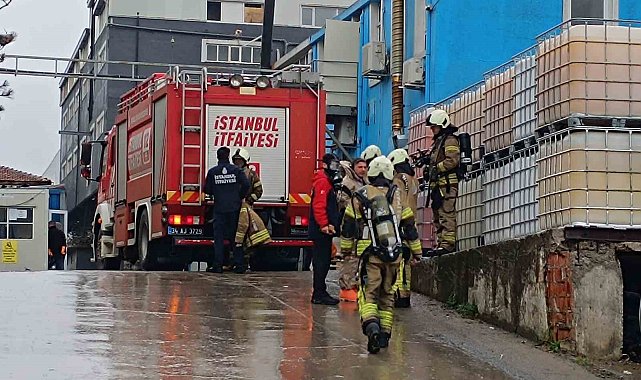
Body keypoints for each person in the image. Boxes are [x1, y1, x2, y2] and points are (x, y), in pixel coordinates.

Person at [340, 156, 422, 353]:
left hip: (370, 256)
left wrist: (346, 250)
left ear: (372, 173)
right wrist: (417, 252)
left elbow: (348, 226)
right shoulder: (398, 197)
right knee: (387, 296)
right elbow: (409, 227)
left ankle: (372, 328)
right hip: (395, 256)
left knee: (368, 294)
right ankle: (384, 336)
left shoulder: (360, 195)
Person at [205, 147, 250, 273]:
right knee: (235, 237)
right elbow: (246, 184)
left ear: (218, 157)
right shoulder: (236, 171)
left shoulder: (213, 172)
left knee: (218, 238)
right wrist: (239, 196)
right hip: (234, 208)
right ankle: (239, 265)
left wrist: (216, 191)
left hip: (219, 209)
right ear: (228, 156)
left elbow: (206, 189)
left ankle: (218, 265)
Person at [388, 148, 421, 308]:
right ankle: (405, 294)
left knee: (398, 260)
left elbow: (398, 202)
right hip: (411, 221)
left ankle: (399, 295)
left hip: (400, 222)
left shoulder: (397, 179)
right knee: (407, 261)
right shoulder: (414, 180)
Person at [426, 109, 461, 255]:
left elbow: (452, 160)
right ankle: (441, 242)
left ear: (442, 125)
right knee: (437, 214)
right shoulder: (439, 142)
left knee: (447, 213)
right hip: (438, 185)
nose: (433, 129)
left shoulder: (450, 140)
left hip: (447, 185)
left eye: (434, 126)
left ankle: (448, 244)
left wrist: (436, 168)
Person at [309, 153, 341, 305]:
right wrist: (324, 225)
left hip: (325, 228)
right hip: (322, 229)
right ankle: (319, 293)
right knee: (322, 261)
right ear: (325, 165)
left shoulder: (326, 181)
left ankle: (320, 291)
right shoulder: (323, 182)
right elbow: (319, 205)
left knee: (324, 260)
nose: (335, 168)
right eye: (333, 165)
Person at [336, 158, 368, 302]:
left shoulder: (365, 182)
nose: (363, 169)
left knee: (359, 257)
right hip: (350, 223)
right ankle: (347, 288)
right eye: (360, 167)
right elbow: (343, 202)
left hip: (363, 225)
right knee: (348, 257)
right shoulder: (347, 183)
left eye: (365, 167)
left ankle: (355, 285)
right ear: (354, 168)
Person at [232, 148, 269, 254]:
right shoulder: (232, 172)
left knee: (246, 235)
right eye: (236, 160)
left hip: (246, 209)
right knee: (234, 235)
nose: (237, 162)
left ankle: (245, 260)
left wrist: (249, 200)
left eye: (240, 160)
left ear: (245, 161)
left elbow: (259, 190)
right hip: (233, 207)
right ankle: (232, 260)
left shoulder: (251, 174)